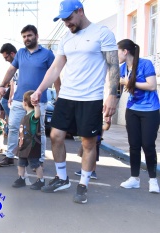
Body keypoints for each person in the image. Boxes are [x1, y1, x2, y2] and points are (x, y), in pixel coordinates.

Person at [31, 0, 120, 204]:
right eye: (63, 20)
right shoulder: (66, 39)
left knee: (88, 142)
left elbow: (113, 65)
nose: (67, 24)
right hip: (67, 96)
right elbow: (55, 68)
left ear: (80, 11)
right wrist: (40, 90)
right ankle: (62, 178)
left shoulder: (102, 33)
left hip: (91, 98)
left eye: (69, 19)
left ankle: (83, 184)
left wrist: (113, 95)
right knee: (55, 135)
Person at [0, 25, 56, 168]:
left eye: (29, 35)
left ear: (36, 36)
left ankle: (40, 159)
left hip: (38, 100)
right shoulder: (20, 53)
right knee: (13, 127)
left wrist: (59, 95)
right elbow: (12, 69)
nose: (26, 39)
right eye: (24, 36)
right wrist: (3, 84)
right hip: (19, 100)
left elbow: (55, 74)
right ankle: (10, 156)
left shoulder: (47, 54)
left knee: (39, 130)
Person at [117, 39, 160, 193]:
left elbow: (152, 85)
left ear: (125, 51)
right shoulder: (123, 68)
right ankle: (134, 178)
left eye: (118, 51)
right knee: (134, 145)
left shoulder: (145, 64)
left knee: (148, 145)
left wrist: (129, 83)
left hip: (150, 110)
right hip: (132, 109)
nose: (117, 55)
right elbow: (119, 90)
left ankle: (153, 180)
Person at [12, 90, 45, 190]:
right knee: (21, 163)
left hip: (32, 145)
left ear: (24, 103)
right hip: (23, 144)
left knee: (35, 164)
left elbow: (37, 115)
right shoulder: (25, 116)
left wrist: (36, 105)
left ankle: (41, 180)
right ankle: (21, 178)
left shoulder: (33, 116)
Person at [0, 43, 18, 136]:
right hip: (15, 93)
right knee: (4, 102)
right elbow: (13, 82)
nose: (6, 60)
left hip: (23, 94)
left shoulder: (21, 63)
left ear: (12, 54)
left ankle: (13, 122)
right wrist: (10, 96)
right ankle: (12, 122)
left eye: (6, 57)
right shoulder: (13, 66)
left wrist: (11, 96)